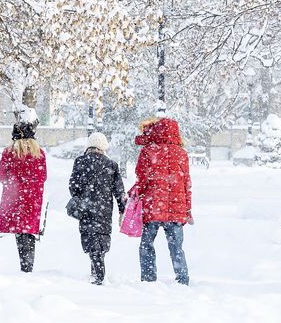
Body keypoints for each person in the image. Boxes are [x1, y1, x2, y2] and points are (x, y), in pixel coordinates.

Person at [133, 116, 192, 285]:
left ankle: (149, 278)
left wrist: (141, 195)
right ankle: (182, 279)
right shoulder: (181, 153)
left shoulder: (148, 151)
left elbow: (141, 178)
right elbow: (186, 182)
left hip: (153, 206)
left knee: (147, 244)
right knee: (176, 248)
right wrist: (187, 208)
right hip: (176, 207)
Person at [68, 132, 126, 285]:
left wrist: (81, 196)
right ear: (103, 147)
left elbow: (73, 186)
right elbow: (119, 191)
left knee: (90, 237)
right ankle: (98, 268)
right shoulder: (111, 164)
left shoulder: (80, 162)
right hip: (104, 208)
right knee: (101, 237)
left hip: (85, 207)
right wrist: (122, 210)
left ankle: (97, 272)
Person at [0, 121, 48, 273]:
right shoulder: (39, 153)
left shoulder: (9, 152)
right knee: (29, 231)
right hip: (32, 199)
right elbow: (43, 176)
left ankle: (24, 265)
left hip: (15, 198)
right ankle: (28, 266)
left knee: (20, 232)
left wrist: (13, 181)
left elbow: (1, 176)